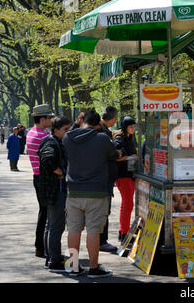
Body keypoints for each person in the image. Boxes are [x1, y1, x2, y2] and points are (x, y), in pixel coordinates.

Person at [63, 109, 119, 278]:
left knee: (73, 230)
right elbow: (114, 154)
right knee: (93, 231)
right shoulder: (101, 138)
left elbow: (70, 133)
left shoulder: (68, 138)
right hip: (96, 192)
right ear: (97, 125)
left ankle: (73, 266)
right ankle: (94, 268)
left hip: (73, 192)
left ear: (82, 121)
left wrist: (76, 123)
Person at [38, 116, 71, 272]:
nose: (68, 132)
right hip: (55, 190)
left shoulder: (52, 141)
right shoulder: (52, 142)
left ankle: (51, 257)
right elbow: (47, 159)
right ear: (56, 130)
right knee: (56, 226)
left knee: (51, 226)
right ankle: (55, 261)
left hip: (52, 190)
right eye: (65, 130)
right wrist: (61, 172)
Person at [26, 104, 54, 258]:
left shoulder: (31, 133)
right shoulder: (44, 137)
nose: (51, 120)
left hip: (37, 176)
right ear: (43, 119)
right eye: (49, 117)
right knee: (47, 213)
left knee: (43, 212)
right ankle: (42, 246)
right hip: (45, 178)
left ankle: (40, 246)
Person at [113, 116, 137, 243]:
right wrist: (129, 157)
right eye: (131, 126)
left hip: (128, 175)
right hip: (123, 176)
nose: (133, 128)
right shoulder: (119, 139)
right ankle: (124, 233)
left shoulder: (129, 138)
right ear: (125, 127)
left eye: (134, 126)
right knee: (128, 205)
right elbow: (115, 156)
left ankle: (123, 231)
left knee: (126, 204)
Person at [99, 106, 119, 253]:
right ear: (113, 119)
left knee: (103, 210)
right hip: (104, 178)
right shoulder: (102, 132)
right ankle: (102, 240)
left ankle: (101, 239)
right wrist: (117, 153)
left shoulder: (104, 131)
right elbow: (109, 153)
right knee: (104, 210)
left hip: (104, 178)